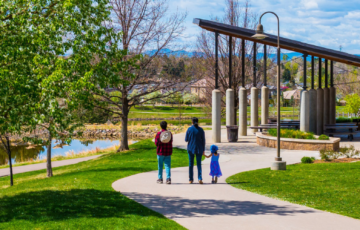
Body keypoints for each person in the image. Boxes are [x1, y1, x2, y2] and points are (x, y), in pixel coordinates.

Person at [185, 117, 205, 184]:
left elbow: (186, 139)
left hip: (191, 148)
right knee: (199, 164)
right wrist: (203, 149)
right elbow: (203, 141)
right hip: (199, 148)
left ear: (192, 122)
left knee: (191, 164)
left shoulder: (189, 129)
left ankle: (190, 179)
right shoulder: (201, 130)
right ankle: (200, 178)